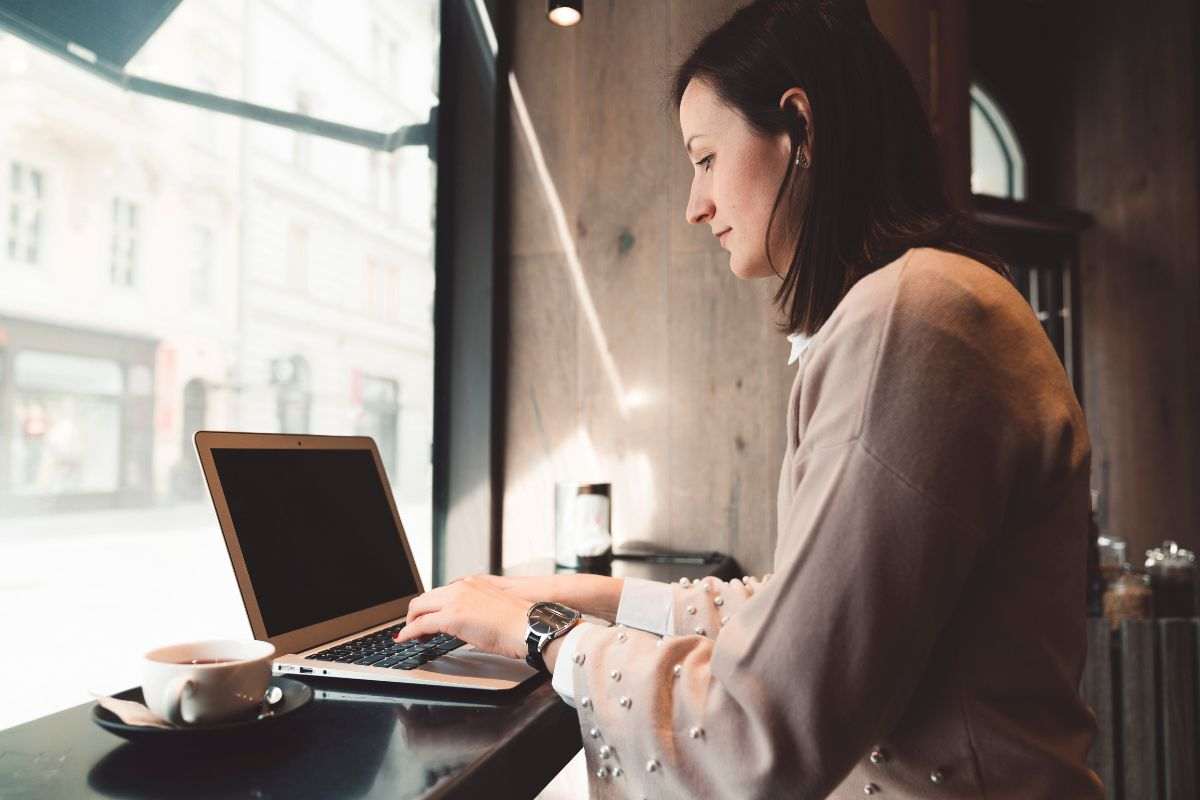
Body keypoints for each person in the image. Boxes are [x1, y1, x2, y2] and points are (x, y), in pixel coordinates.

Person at [395, 1, 1103, 797]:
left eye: (703, 158)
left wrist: (537, 633)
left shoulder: (914, 315)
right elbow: (811, 613)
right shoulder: (939, 299)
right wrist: (586, 596)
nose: (693, 205)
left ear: (798, 129)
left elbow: (762, 725)